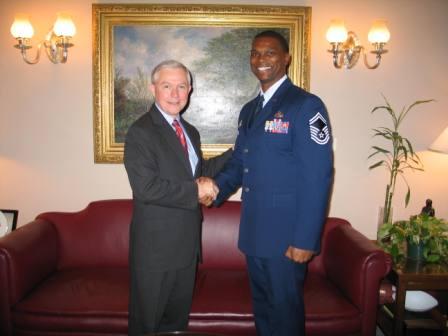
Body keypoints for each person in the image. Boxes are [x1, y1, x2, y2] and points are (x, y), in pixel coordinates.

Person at [213, 31, 334, 335]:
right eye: (255, 53)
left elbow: (317, 176)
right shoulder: (249, 110)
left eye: (270, 53)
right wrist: (214, 189)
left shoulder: (305, 106)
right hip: (254, 234)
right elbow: (241, 162)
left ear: (286, 59)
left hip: (286, 239)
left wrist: (306, 239)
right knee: (264, 311)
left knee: (285, 315)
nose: (261, 60)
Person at [124, 59, 232, 335]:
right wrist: (195, 191)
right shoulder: (141, 132)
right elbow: (146, 187)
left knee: (175, 326)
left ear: (190, 89)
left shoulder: (190, 131)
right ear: (153, 89)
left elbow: (199, 172)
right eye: (167, 86)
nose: (175, 94)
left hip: (186, 249)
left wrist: (238, 152)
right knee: (147, 326)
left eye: (181, 86)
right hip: (155, 252)